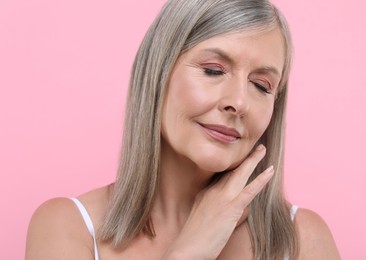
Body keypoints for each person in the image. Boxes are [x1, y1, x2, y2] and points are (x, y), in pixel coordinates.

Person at [25, 0, 341, 259]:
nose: (239, 102)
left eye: (261, 85)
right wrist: (189, 252)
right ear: (158, 72)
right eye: (213, 70)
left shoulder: (301, 240)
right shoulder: (69, 227)